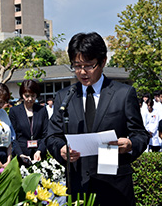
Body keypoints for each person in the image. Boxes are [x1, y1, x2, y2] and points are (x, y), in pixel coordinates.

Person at [45, 32, 149, 206]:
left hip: (114, 186)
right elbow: (52, 136)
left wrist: (130, 145)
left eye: (89, 65)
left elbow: (140, 134)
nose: (82, 72)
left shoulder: (123, 94)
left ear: (103, 62)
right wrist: (61, 149)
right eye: (77, 66)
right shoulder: (65, 96)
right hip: (78, 185)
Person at [9, 80, 48, 166]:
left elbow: (45, 134)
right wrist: (20, 154)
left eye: (33, 96)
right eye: (27, 96)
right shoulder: (14, 111)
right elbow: (13, 136)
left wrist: (39, 150)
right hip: (21, 154)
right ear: (22, 95)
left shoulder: (42, 110)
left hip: (38, 154)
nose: (30, 99)